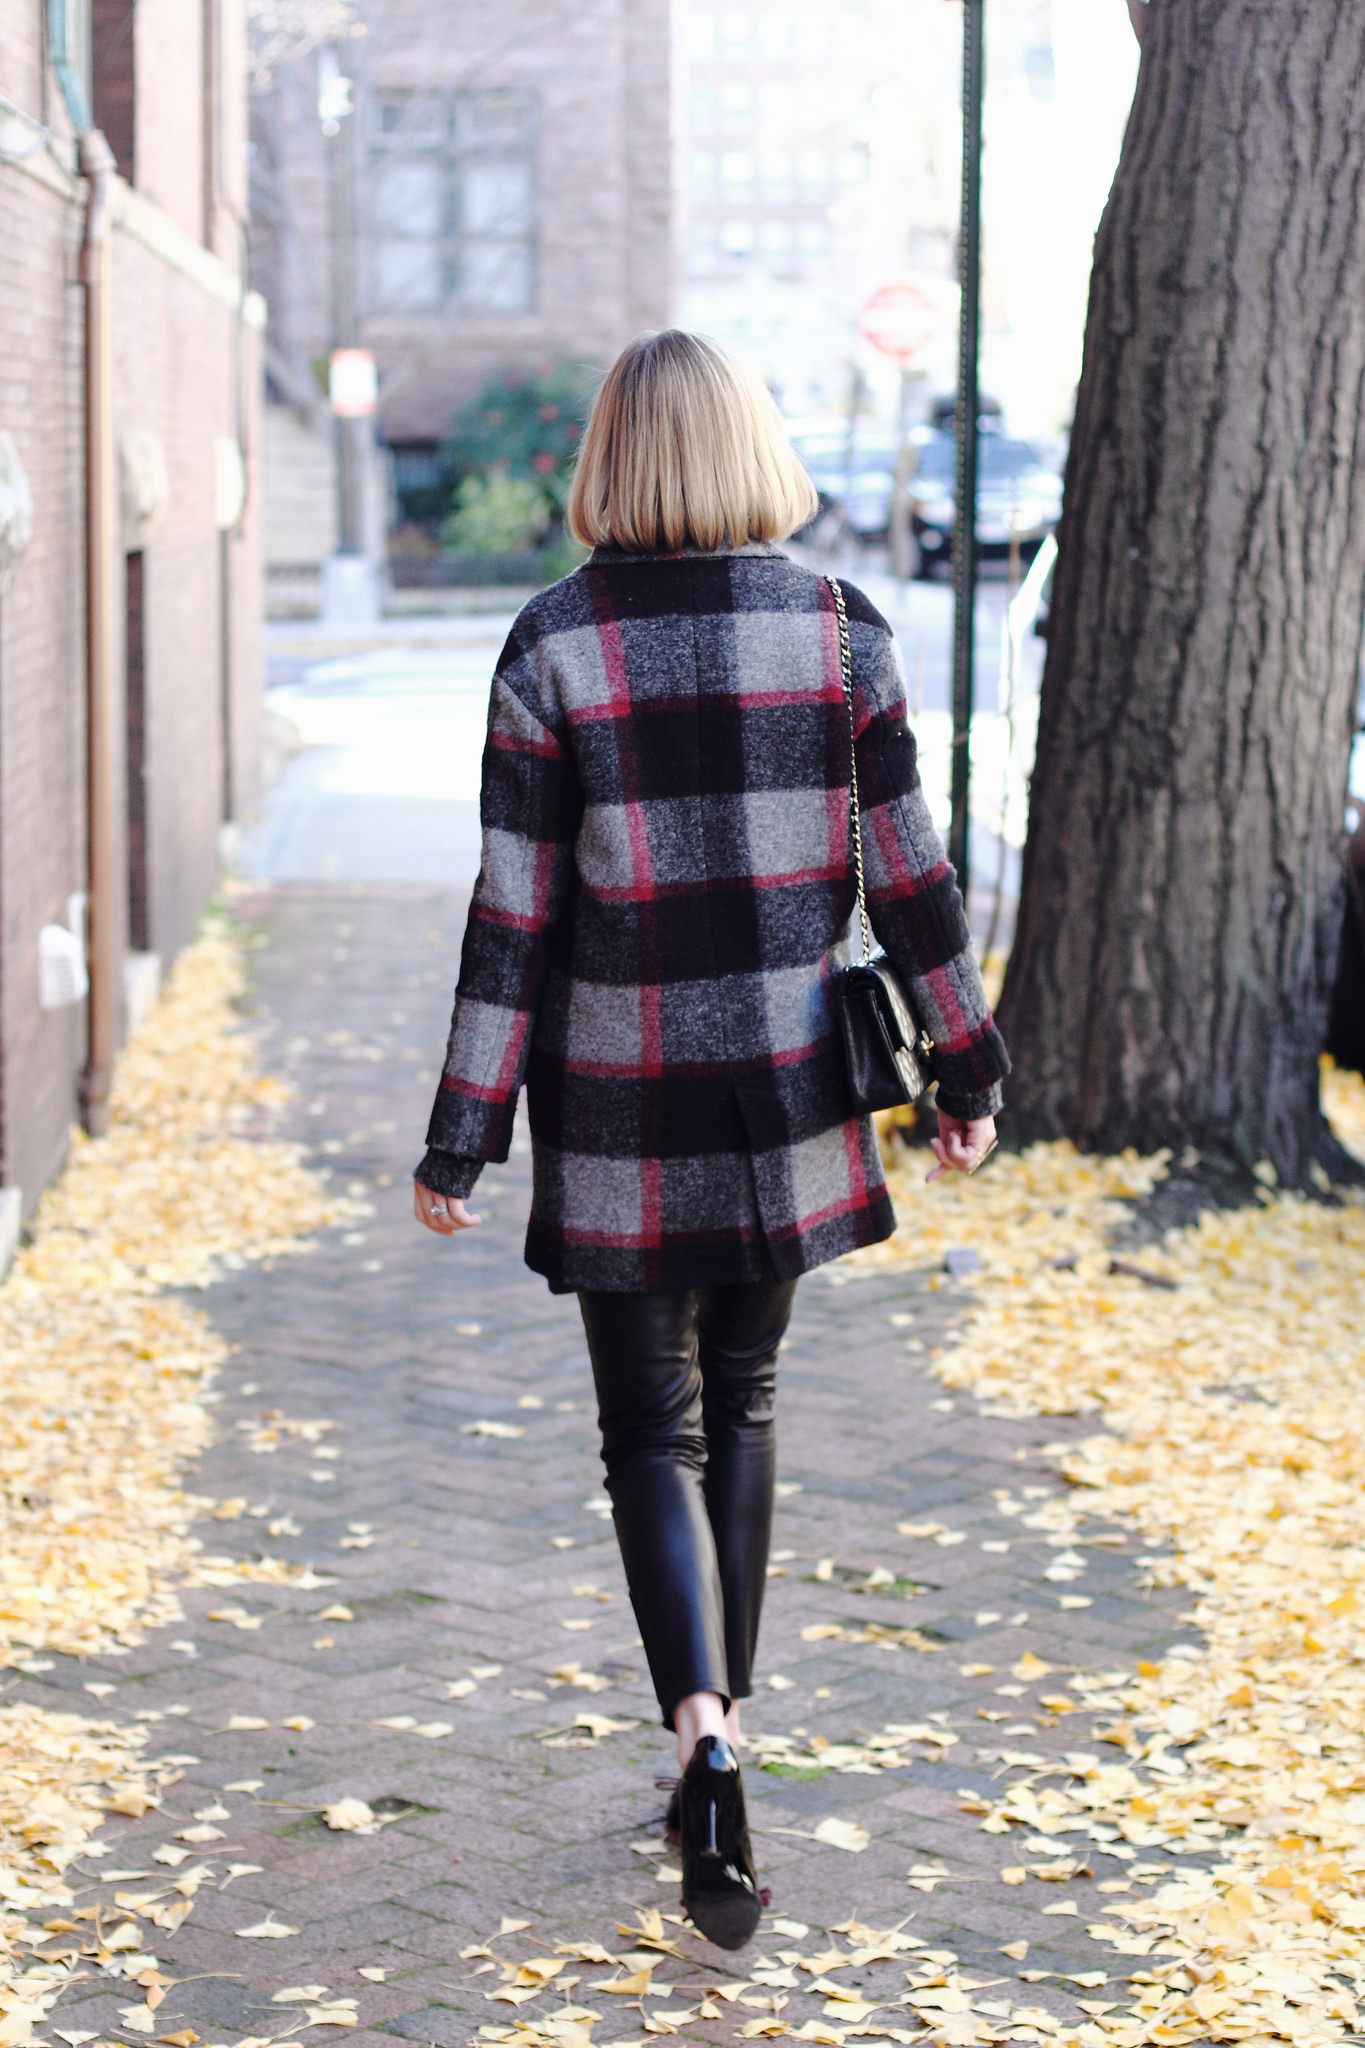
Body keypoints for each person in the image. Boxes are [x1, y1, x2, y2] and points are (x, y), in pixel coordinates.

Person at [413, 330, 1009, 1949]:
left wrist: (460, 1138)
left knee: (645, 1437)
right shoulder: (837, 632)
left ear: (609, 458)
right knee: (741, 1403)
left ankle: (703, 1738)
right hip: (785, 1088)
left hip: (615, 1099)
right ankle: (719, 1743)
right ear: (750, 442)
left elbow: (512, 922)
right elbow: (913, 880)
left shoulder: (550, 646)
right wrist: (964, 1072)